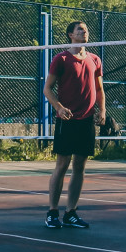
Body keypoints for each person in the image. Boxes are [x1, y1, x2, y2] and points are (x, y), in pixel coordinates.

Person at [44, 20, 105, 229]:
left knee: (80, 165)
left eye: (86, 30)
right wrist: (59, 107)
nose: (84, 32)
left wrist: (102, 110)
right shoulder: (60, 59)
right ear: (70, 35)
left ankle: (71, 213)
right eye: (80, 30)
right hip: (66, 120)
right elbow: (47, 89)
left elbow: (99, 89)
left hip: (87, 120)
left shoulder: (95, 59)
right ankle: (53, 212)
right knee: (62, 164)